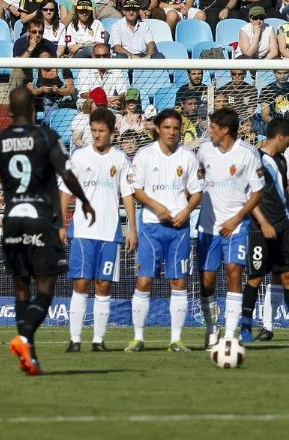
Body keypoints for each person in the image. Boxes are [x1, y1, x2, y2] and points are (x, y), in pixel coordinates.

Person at [0, 86, 95, 376]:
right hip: (40, 217)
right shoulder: (46, 136)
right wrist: (85, 201)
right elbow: (67, 174)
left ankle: (30, 356)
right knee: (46, 287)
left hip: (12, 219)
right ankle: (25, 338)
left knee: (21, 287)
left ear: (9, 111)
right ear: (34, 110)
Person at [124, 109, 202, 352]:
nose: (172, 132)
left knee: (179, 281)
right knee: (144, 280)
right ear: (158, 128)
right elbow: (136, 189)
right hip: (151, 226)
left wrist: (186, 211)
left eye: (176, 128)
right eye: (167, 127)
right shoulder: (145, 155)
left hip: (178, 229)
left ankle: (176, 340)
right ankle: (138, 338)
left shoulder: (188, 157)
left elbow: (197, 192)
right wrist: (157, 206)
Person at [62, 107, 137, 353]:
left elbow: (127, 195)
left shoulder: (120, 159)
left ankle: (98, 339)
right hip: (83, 231)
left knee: (103, 285)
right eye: (93, 130)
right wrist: (59, 223)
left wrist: (132, 229)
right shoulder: (80, 157)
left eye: (101, 131)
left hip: (110, 232)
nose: (96, 135)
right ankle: (75, 339)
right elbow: (65, 190)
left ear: (112, 132)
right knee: (81, 283)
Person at [196, 107, 264, 349]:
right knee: (206, 280)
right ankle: (212, 328)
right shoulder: (204, 150)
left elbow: (257, 193)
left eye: (212, 127)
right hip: (207, 224)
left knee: (234, 271)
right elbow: (198, 180)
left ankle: (230, 333)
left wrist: (237, 219)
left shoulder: (248, 153)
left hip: (236, 224)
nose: (209, 130)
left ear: (224, 130)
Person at [239, 118, 289, 343]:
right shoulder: (255, 159)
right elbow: (251, 195)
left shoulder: (281, 160)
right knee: (256, 277)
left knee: (285, 276)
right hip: (260, 228)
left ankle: (269, 326)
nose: (288, 145)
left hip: (283, 226)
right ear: (280, 137)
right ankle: (246, 327)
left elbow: (281, 188)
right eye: (288, 141)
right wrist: (264, 222)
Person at [25, 48, 76, 123]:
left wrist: (58, 91)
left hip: (63, 101)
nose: (46, 63)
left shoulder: (63, 69)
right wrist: (41, 90)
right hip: (42, 102)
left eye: (48, 60)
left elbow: (71, 90)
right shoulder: (33, 71)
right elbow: (30, 92)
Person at [76, 43, 129, 111]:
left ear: (109, 56)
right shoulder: (85, 69)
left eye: (105, 56)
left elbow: (123, 92)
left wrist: (119, 98)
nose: (101, 59)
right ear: (93, 56)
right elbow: (84, 94)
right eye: (98, 56)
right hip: (89, 104)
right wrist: (104, 100)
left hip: (110, 104)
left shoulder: (116, 69)